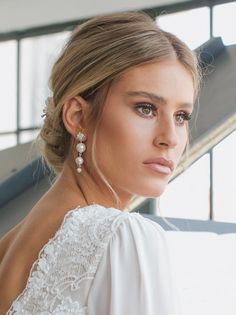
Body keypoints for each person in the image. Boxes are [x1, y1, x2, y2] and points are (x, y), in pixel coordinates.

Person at [0, 11, 200, 314]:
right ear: (77, 116)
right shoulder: (122, 236)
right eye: (146, 108)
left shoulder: (9, 248)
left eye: (181, 116)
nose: (170, 138)